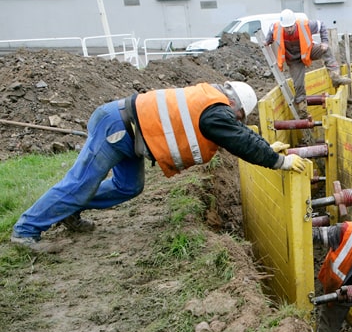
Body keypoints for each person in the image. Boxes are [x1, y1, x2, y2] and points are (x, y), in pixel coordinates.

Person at [10, 81, 304, 249]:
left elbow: (235, 136)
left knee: (129, 186)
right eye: (240, 117)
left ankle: (69, 211)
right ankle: (26, 229)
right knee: (79, 185)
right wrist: (279, 161)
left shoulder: (211, 105)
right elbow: (237, 139)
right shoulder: (214, 111)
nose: (238, 121)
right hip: (117, 129)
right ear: (236, 106)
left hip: (131, 135)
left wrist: (265, 147)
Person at [264, 8, 351, 118]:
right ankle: (303, 111)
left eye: (291, 26)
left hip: (308, 51)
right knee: (298, 84)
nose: (289, 29)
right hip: (294, 59)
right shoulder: (276, 27)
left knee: (326, 50)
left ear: (294, 23)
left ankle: (335, 76)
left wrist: (324, 42)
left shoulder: (305, 24)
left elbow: (321, 25)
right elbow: (270, 34)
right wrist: (267, 41)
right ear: (282, 26)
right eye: (286, 27)